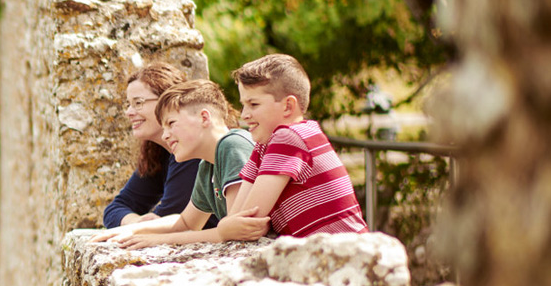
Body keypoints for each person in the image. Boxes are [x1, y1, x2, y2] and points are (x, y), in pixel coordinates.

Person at [92, 80, 267, 247]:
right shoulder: (208, 165)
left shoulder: (232, 145)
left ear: (204, 117)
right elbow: (186, 222)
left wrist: (158, 240)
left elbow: (234, 232)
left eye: (171, 123)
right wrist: (132, 230)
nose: (164, 135)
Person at [226, 54, 368, 238]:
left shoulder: (289, 137)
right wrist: (229, 227)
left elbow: (245, 223)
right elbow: (237, 220)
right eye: (243, 105)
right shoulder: (265, 145)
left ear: (288, 106)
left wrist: (226, 228)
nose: (244, 115)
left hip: (345, 257)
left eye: (253, 104)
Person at [101, 62, 203, 229]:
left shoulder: (194, 151)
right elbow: (114, 209)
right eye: (128, 104)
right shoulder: (158, 153)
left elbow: (167, 222)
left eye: (138, 103)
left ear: (168, 102)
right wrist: (136, 222)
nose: (129, 112)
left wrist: (144, 225)